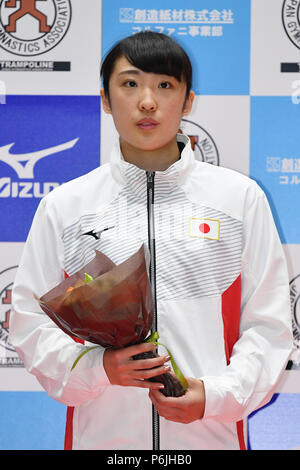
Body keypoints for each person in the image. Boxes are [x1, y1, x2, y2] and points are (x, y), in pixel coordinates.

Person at [10, 31, 293, 451]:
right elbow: (29, 322)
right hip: (102, 442)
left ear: (188, 101)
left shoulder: (238, 199)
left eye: (165, 85)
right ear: (105, 99)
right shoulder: (66, 206)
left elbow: (268, 327)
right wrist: (99, 368)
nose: (147, 101)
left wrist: (215, 396)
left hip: (207, 438)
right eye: (130, 83)